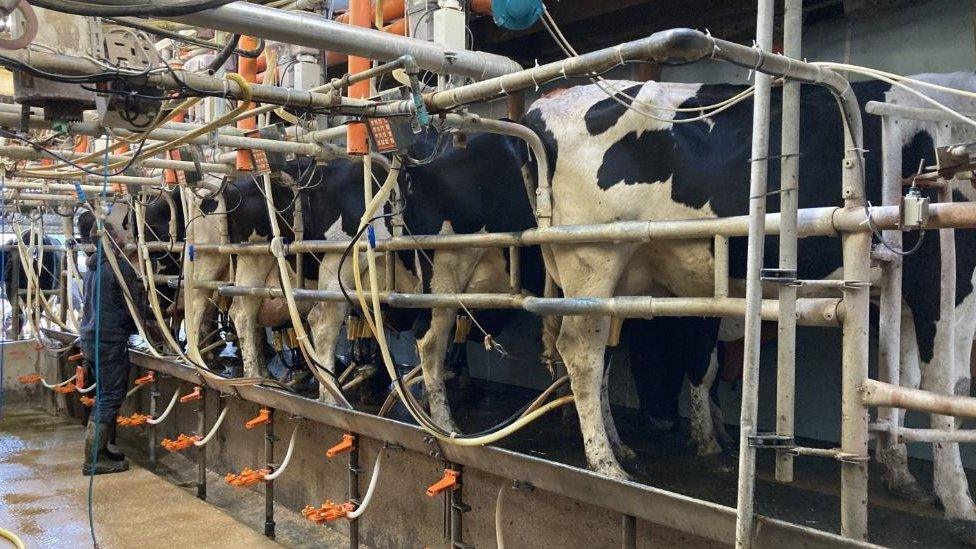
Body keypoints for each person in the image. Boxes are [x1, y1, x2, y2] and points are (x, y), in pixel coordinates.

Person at [79, 218, 147, 475]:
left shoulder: (92, 267)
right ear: (109, 240)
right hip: (109, 339)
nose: (122, 240)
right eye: (117, 236)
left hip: (91, 338)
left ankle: (101, 450)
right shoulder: (120, 268)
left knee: (104, 393)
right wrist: (153, 327)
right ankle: (93, 460)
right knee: (110, 396)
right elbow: (134, 305)